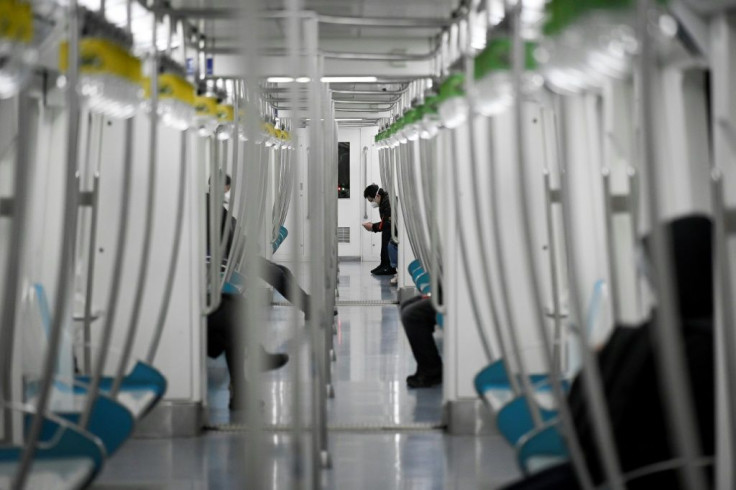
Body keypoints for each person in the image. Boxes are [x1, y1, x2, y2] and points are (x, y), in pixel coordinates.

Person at [401, 293, 443, 388]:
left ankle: (432, 371)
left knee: (411, 314)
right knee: (406, 304)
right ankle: (425, 366)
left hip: (453, 296)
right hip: (444, 293)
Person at [363, 184, 396, 276]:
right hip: (392, 228)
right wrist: (374, 226)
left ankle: (388, 266)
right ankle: (384, 264)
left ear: (377, 196)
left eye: (371, 200)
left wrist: (373, 227)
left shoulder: (387, 202)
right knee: (385, 234)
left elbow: (388, 223)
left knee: (387, 234)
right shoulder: (384, 201)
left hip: (394, 230)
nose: (372, 203)